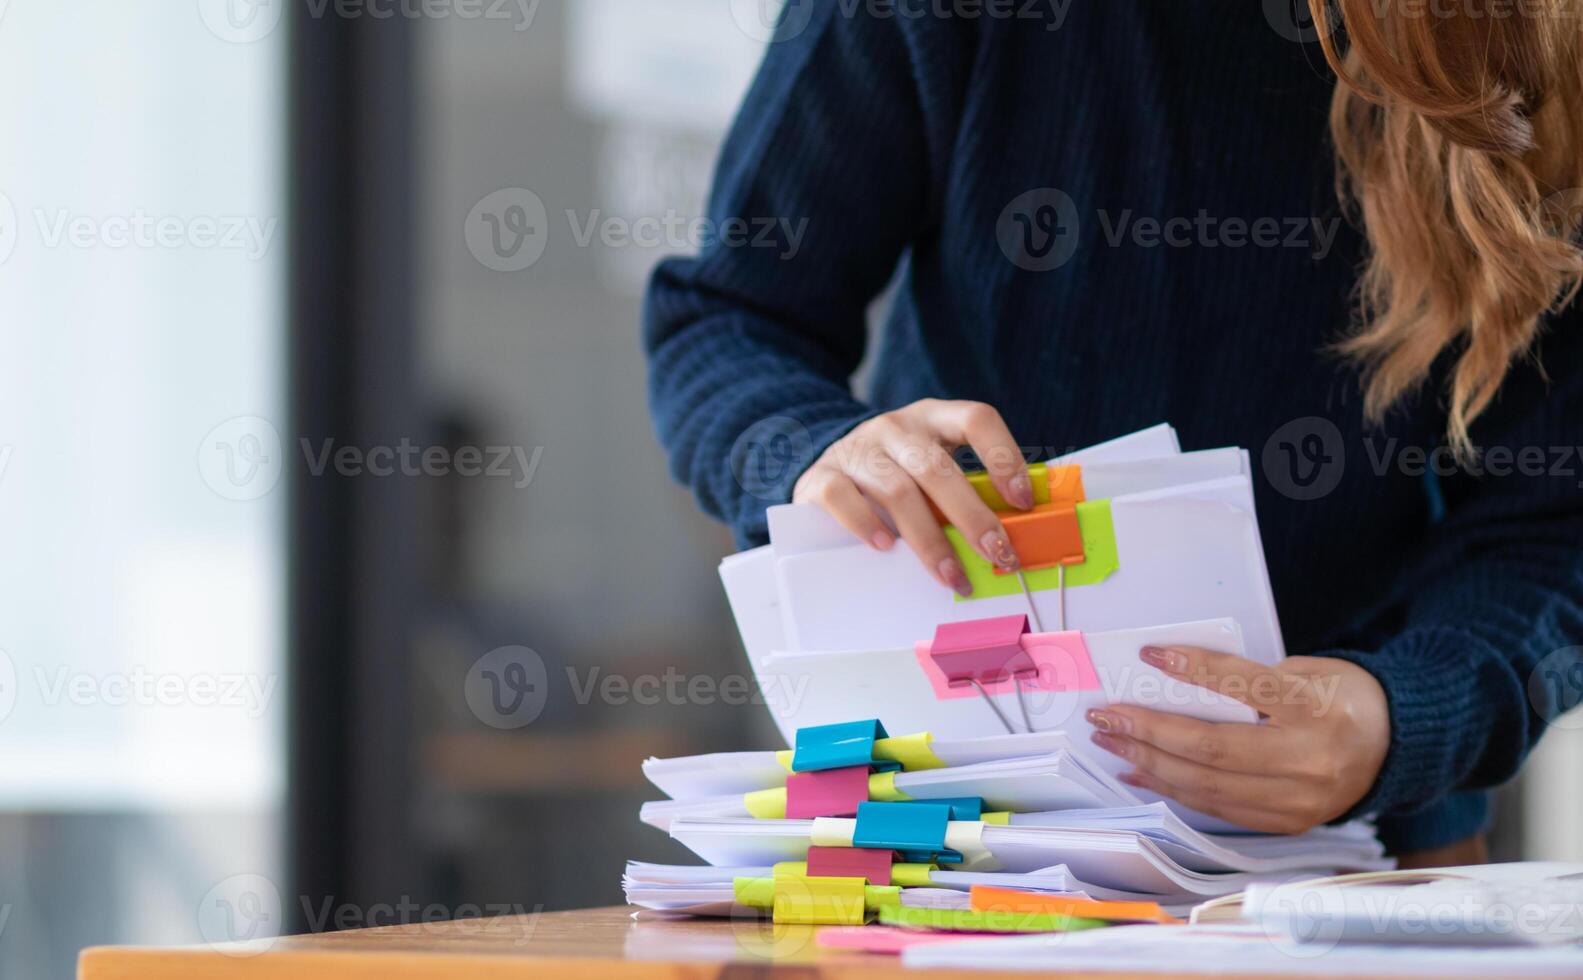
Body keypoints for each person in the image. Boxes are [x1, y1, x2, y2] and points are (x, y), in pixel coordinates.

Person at [642, 1, 1583, 866]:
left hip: (1362, 853)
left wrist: (1400, 715)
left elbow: (1551, 521)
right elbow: (728, 317)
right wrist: (812, 451)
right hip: (939, 832)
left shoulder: (1529, 33)